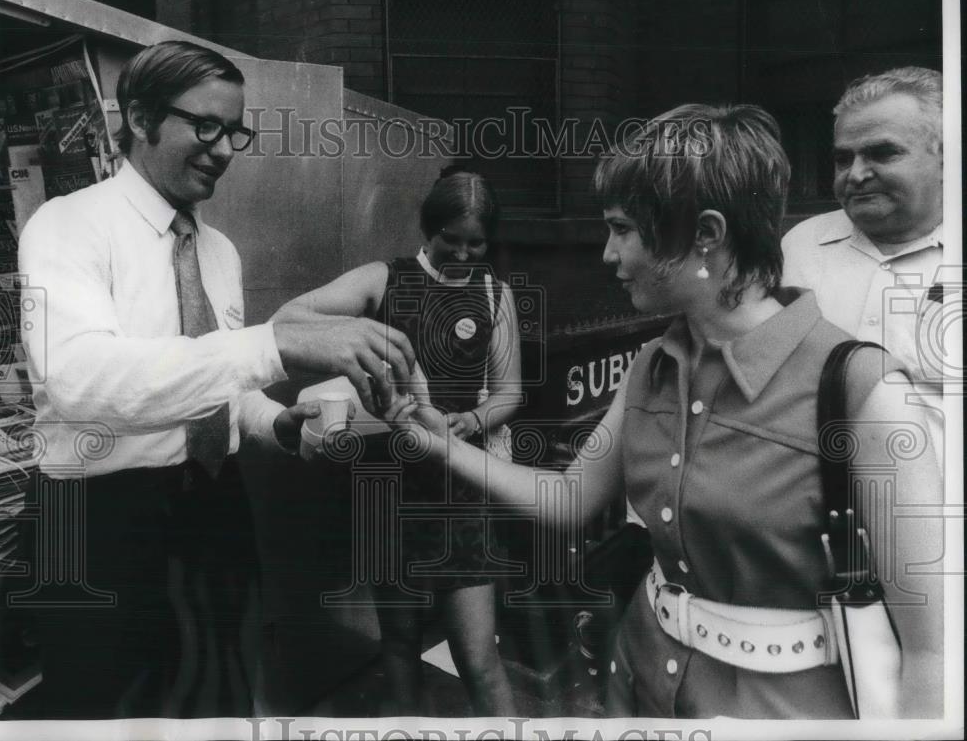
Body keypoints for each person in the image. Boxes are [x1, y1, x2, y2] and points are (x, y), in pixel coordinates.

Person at [384, 105, 943, 718]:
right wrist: (440, 442)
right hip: (640, 681)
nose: (607, 253)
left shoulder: (864, 390)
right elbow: (569, 500)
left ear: (705, 233)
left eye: (622, 228)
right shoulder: (652, 362)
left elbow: (931, 657)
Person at [16, 41, 415, 719]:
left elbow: (213, 384)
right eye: (206, 126)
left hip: (213, 507)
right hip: (97, 523)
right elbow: (80, 381)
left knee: (217, 696)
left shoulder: (220, 251)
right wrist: (277, 343)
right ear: (140, 117)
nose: (226, 149)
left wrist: (274, 422)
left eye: (235, 131)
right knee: (106, 711)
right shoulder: (67, 226)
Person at [273, 169, 520, 715]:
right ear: (428, 229)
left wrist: (472, 422)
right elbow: (290, 318)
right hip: (389, 484)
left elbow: (509, 393)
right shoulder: (384, 279)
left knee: (478, 658)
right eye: (449, 240)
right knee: (401, 646)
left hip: (460, 485)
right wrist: (355, 341)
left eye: (474, 243)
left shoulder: (493, 295)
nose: (461, 253)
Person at [782, 67, 945, 460]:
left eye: (882, 153)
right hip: (814, 511)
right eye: (843, 159)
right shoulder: (800, 246)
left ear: (947, 155)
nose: (855, 175)